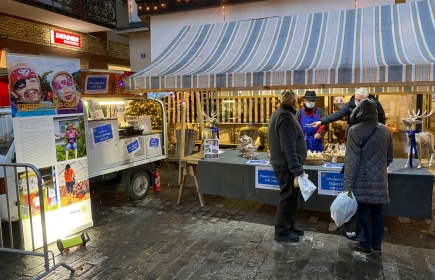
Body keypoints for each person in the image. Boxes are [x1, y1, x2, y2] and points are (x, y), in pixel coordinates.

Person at [343, 99, 393, 255]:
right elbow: (389, 157)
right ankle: (376, 246)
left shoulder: (354, 130)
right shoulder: (385, 130)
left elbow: (351, 162)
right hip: (380, 180)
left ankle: (365, 245)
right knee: (377, 213)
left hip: (360, 180)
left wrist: (347, 189)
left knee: (362, 211)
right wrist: (377, 169)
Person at [268, 90, 307, 243]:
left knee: (291, 198)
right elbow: (288, 147)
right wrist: (297, 169)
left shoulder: (278, 114)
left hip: (284, 165)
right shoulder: (287, 117)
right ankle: (281, 231)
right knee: (287, 197)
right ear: (294, 102)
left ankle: (289, 226)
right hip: (286, 166)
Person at [309, 88, 386, 130]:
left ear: (366, 98)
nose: (357, 101)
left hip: (371, 131)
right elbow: (338, 114)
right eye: (356, 99)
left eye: (360, 100)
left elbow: (382, 119)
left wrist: (378, 131)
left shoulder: (375, 104)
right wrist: (321, 121)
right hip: (355, 131)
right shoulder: (351, 104)